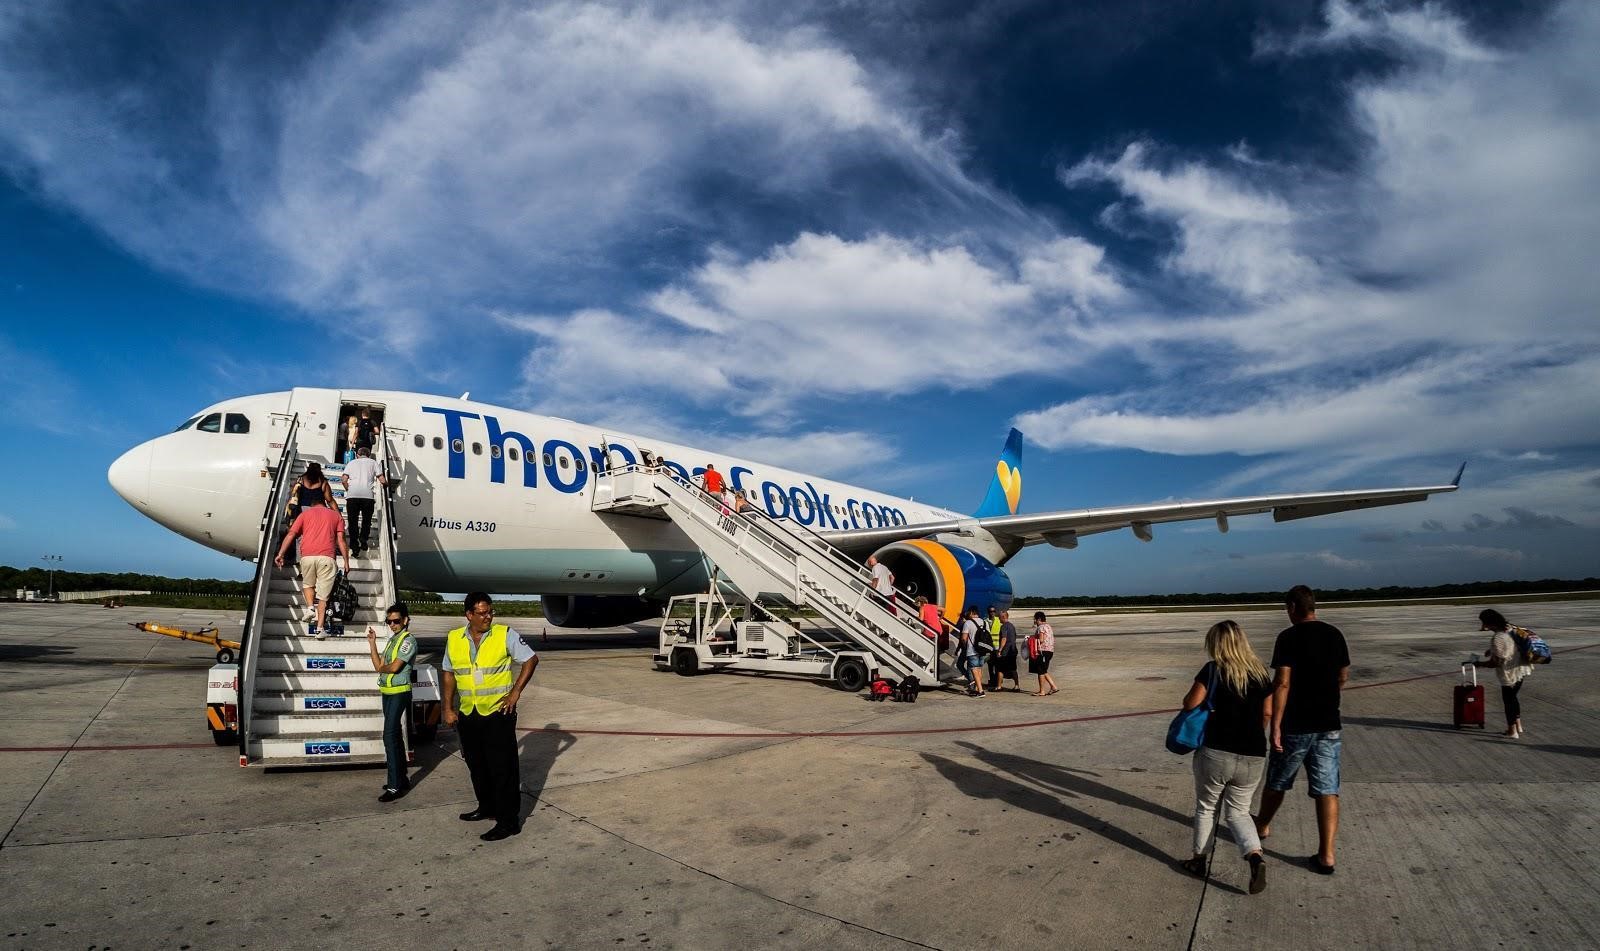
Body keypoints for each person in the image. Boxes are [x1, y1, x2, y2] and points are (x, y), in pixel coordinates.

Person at [1253, 585, 1349, 875]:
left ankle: (1262, 824)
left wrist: (1277, 725)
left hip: (1296, 724)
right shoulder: (1335, 634)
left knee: (1278, 781)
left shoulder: (1288, 637)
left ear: (1293, 607)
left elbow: (1282, 682)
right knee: (1327, 789)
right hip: (1329, 724)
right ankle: (1327, 855)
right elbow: (1342, 675)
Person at [1176, 620, 1274, 895]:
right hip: (1254, 753)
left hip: (1216, 751)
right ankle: (1254, 856)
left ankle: (1198, 861)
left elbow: (1190, 703)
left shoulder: (1213, 670)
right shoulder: (1260, 674)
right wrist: (1254, 735)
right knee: (1239, 813)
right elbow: (1267, 713)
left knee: (1207, 808)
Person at [442, 592, 539, 841]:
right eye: (483, 613)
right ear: (469, 615)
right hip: (468, 712)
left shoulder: (504, 634)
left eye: (490, 611)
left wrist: (515, 692)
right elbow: (449, 674)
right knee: (477, 765)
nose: (488, 617)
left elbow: (530, 659)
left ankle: (509, 822)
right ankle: (487, 807)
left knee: (502, 768)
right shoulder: (454, 638)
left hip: (498, 713)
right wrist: (447, 708)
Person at [273, 494, 349, 639]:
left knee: (308, 584)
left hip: (307, 557)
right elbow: (341, 540)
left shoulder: (304, 514)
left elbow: (291, 534)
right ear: (324, 504)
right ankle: (320, 629)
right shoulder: (336, 516)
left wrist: (280, 554)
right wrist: (346, 560)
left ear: (313, 504)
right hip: (327, 558)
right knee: (323, 597)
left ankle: (309, 608)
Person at [367, 602, 418, 802]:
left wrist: (382, 667)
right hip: (387, 691)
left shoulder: (407, 640)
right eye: (389, 622)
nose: (393, 625)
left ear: (405, 620)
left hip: (399, 692)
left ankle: (395, 786)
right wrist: (372, 643)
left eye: (396, 621)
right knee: (394, 735)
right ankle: (401, 779)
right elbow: (378, 665)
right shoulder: (392, 640)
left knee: (388, 736)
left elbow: (395, 667)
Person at [1476, 608, 1533, 738]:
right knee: (1513, 698)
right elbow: (1510, 646)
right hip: (1522, 669)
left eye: (1484, 622)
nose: (1483, 625)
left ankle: (1512, 731)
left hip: (1510, 674)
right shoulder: (1510, 628)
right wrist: (1491, 650)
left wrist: (1480, 664)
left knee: (1508, 701)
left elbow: (1497, 663)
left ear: (1489, 623)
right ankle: (1519, 725)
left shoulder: (1498, 637)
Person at [341, 445, 385, 556]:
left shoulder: (351, 463)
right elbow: (382, 480)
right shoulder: (373, 463)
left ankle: (354, 545)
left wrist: (348, 489)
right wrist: (387, 486)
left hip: (352, 496)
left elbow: (344, 480)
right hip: (367, 497)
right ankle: (364, 538)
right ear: (369, 455)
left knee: (353, 521)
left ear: (357, 455)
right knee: (366, 520)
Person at [989, 610, 1020, 692]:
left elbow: (1004, 638)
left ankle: (999, 686)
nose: (999, 619)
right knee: (1013, 669)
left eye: (999, 618)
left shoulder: (1004, 626)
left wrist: (1000, 650)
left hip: (1006, 652)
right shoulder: (1012, 626)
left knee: (1000, 669)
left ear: (1003, 617)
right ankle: (1017, 686)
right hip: (1013, 651)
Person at [1029, 612, 1059, 696]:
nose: (1034, 621)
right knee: (1044, 670)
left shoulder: (1041, 627)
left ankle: (1042, 691)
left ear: (1039, 619)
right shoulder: (1048, 626)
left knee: (1040, 671)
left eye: (1035, 619)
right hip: (1050, 651)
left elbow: (1041, 640)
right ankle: (1053, 686)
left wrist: (1031, 639)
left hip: (1043, 651)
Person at [958, 607, 985, 696]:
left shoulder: (968, 623)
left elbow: (964, 638)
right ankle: (977, 688)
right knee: (979, 669)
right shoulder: (983, 621)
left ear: (972, 612)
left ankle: (980, 691)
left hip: (972, 650)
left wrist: (964, 647)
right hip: (982, 650)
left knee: (974, 670)